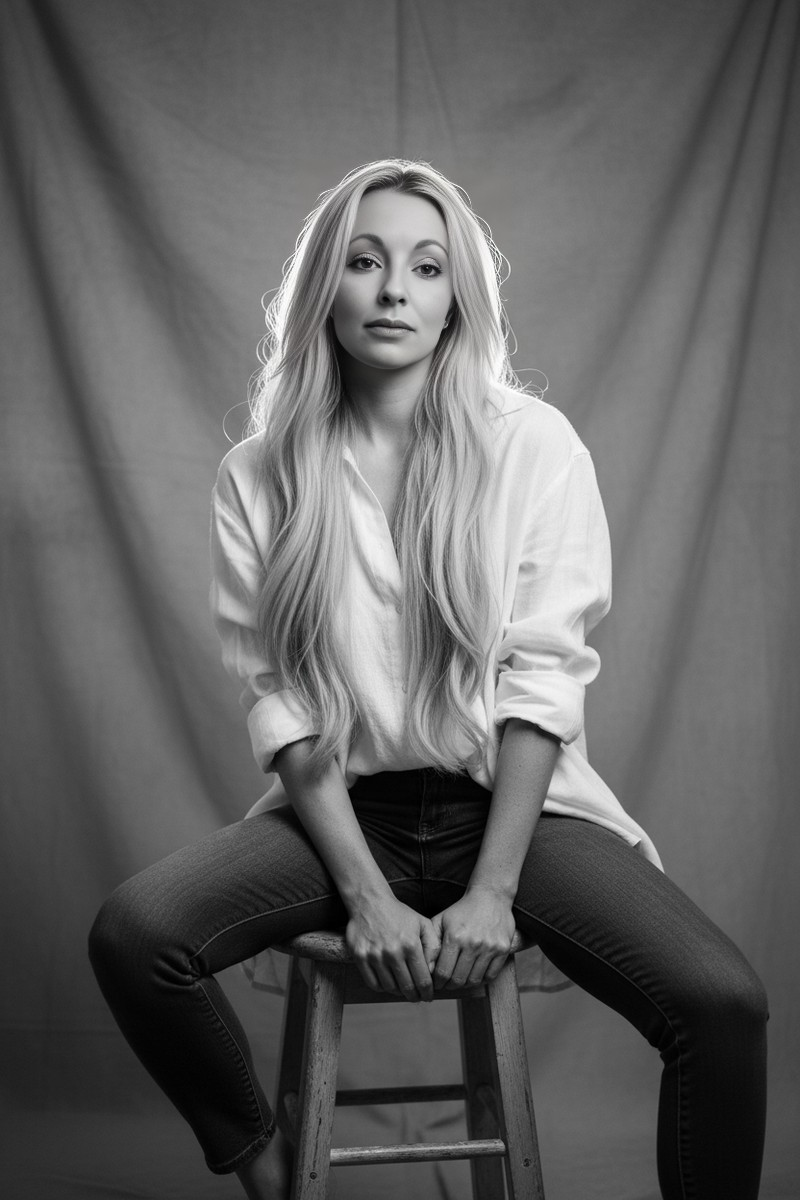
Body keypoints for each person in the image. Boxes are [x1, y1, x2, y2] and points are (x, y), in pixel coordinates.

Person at [89, 159, 768, 1200]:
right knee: (137, 936)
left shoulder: (532, 449)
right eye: (364, 262)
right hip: (341, 818)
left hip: (515, 817)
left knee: (719, 1003)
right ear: (328, 285)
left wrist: (491, 890)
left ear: (457, 297)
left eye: (424, 266)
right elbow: (285, 703)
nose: (394, 290)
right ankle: (266, 1166)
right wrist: (363, 893)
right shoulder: (260, 473)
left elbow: (541, 681)